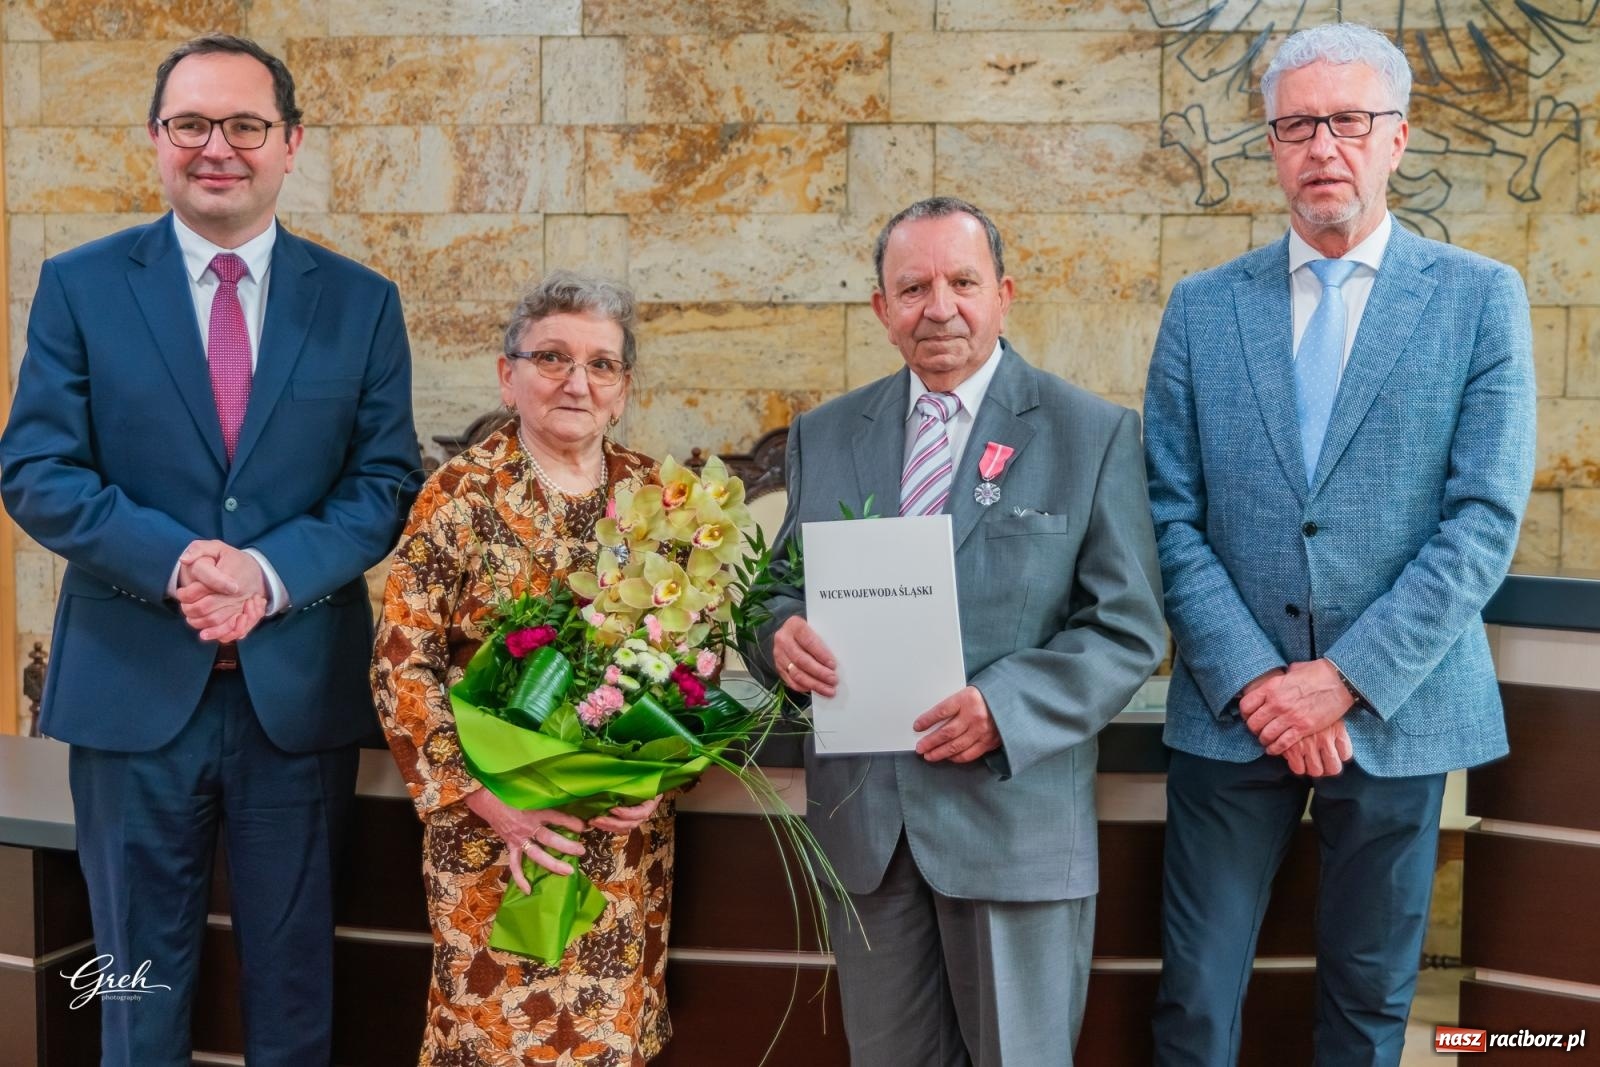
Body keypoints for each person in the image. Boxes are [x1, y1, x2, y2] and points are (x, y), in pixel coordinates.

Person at [0, 34, 420, 1067]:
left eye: (244, 125)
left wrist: (266, 575)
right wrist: (183, 558)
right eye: (192, 124)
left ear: (290, 143)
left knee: (294, 993)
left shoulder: (361, 301)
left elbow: (383, 486)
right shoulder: (81, 287)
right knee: (136, 989)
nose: (216, 146)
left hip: (296, 701)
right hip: (132, 689)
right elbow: (37, 468)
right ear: (156, 141)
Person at [1144, 23, 1537, 1066]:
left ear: (1396, 138)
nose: (1323, 146)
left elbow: (1482, 519)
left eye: (1347, 121)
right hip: (1234, 711)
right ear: (1272, 145)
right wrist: (1265, 683)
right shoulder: (1198, 309)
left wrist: (1343, 680)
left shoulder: (1477, 297)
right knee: (1194, 1000)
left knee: (1368, 1006)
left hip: (1396, 708)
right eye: (1296, 125)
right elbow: (1169, 513)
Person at [748, 197, 1167, 1066]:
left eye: (962, 282)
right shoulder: (825, 434)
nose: (939, 307)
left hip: (1012, 825)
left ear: (1004, 294)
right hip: (869, 836)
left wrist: (1004, 708)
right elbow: (775, 587)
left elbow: (1126, 627)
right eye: (913, 287)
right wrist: (779, 635)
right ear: (881, 309)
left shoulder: (1089, 432)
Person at [373, 272, 671, 1066]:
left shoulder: (654, 498)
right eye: (552, 356)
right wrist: (490, 798)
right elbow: (401, 665)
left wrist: (656, 777)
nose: (577, 380)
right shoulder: (458, 497)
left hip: (619, 847)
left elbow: (685, 659)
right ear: (509, 375)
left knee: (608, 1046)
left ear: (622, 388)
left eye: (601, 364)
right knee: (494, 1041)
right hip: (492, 839)